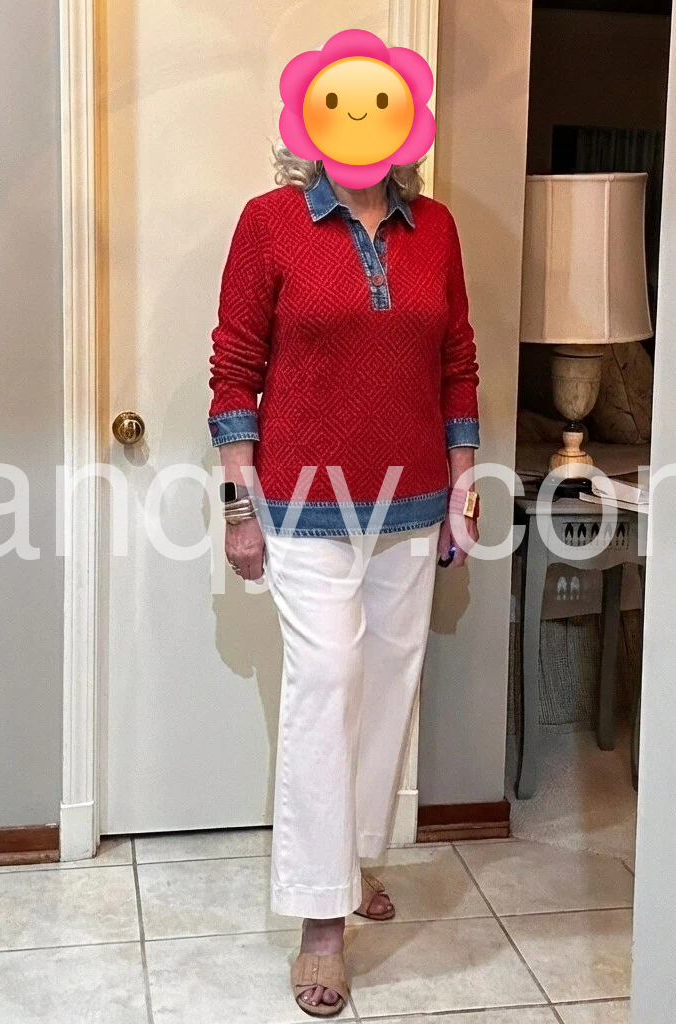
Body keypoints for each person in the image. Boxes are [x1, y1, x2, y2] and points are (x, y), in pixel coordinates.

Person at [208, 143, 481, 1017]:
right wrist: (239, 508)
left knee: (388, 687)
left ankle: (351, 862)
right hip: (302, 507)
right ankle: (322, 922)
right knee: (327, 686)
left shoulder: (435, 228)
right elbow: (235, 365)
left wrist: (463, 492)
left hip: (414, 505)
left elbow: (458, 362)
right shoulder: (270, 223)